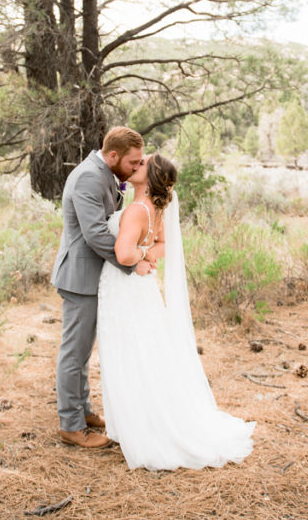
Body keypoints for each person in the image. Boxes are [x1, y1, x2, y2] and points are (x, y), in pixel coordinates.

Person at [97, 154, 255, 470]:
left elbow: (124, 254)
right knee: (145, 353)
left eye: (142, 164)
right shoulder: (155, 209)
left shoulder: (137, 210)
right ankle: (145, 420)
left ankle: (142, 428)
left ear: (151, 176)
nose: (136, 164)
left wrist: (137, 256)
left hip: (124, 290)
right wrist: (146, 254)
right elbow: (163, 245)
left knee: (129, 354)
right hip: (141, 290)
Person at [50, 127, 154, 448]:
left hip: (92, 276)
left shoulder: (104, 173)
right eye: (132, 162)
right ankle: (71, 425)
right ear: (112, 155)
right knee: (74, 353)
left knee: (82, 353)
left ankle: (83, 411)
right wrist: (130, 262)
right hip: (79, 277)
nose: (136, 168)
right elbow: (95, 233)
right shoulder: (88, 178)